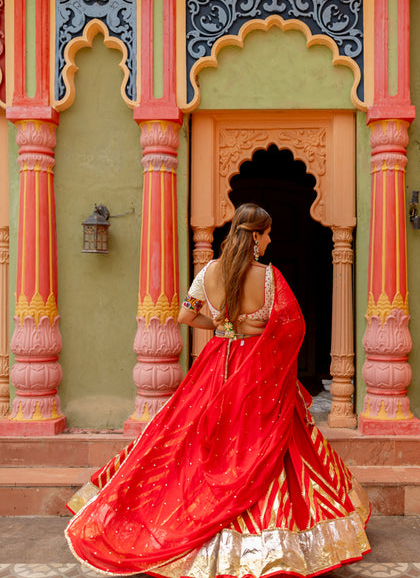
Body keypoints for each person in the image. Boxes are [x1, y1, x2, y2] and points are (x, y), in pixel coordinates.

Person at [65, 202, 371, 577]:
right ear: (256, 236)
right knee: (257, 444)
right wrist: (255, 333)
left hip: (216, 362)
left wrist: (224, 324)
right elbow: (291, 329)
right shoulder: (269, 277)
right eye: (268, 232)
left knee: (200, 440)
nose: (271, 238)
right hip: (257, 368)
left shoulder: (207, 272)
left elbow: (186, 315)